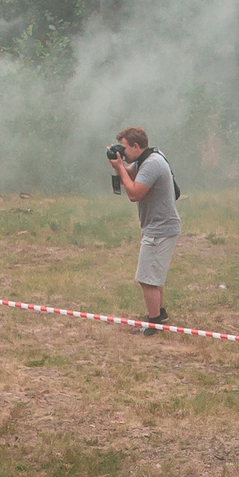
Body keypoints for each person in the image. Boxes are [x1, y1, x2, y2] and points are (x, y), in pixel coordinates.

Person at [107, 126, 177, 334]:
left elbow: (134, 193)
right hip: (160, 226)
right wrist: (118, 162)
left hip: (159, 228)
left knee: (146, 278)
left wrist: (119, 168)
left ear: (136, 146)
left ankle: (154, 324)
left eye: (125, 148)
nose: (124, 152)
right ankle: (159, 312)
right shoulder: (150, 156)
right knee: (155, 275)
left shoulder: (152, 164)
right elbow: (130, 174)